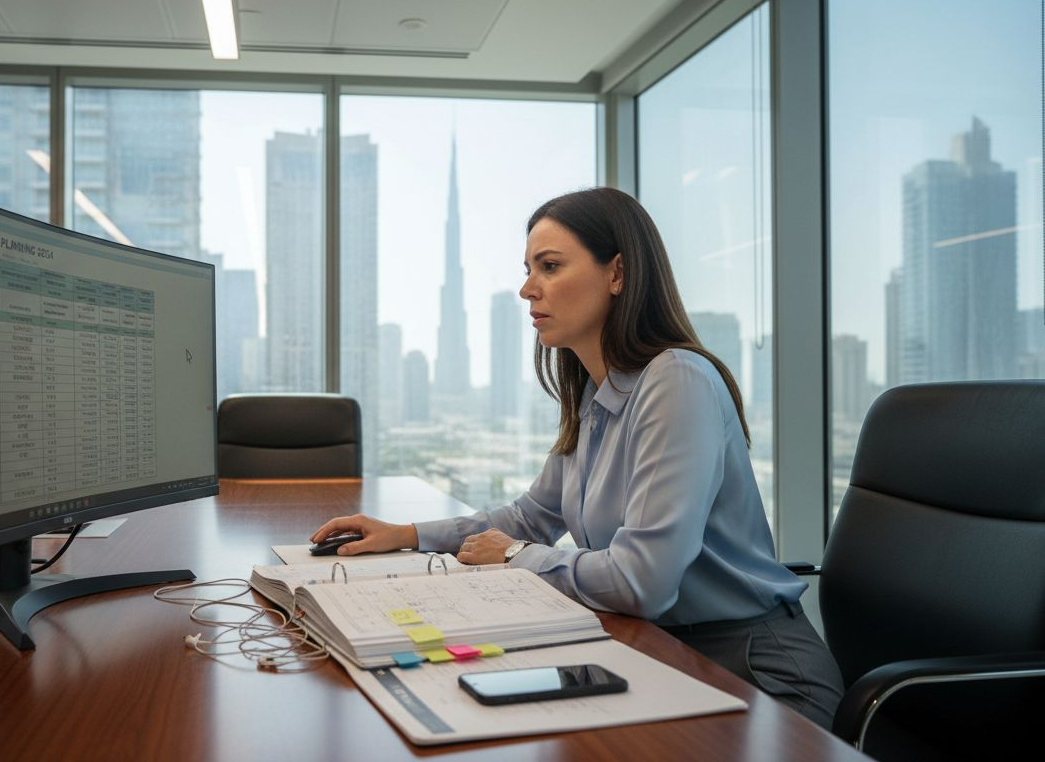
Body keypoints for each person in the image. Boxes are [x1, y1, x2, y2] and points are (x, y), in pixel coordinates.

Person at [310, 187, 844, 728]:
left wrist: (516, 555)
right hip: (657, 650)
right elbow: (529, 517)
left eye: (550, 266)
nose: (526, 289)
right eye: (528, 268)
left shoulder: (676, 380)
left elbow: (642, 582)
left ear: (617, 274)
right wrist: (405, 535)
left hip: (757, 673)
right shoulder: (596, 395)